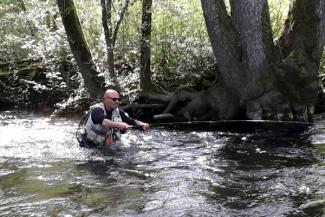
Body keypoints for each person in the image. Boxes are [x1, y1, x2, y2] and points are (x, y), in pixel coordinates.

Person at [80, 89, 149, 148]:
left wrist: (141, 124)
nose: (117, 101)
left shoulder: (118, 112)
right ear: (105, 100)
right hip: (88, 146)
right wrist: (121, 125)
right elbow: (104, 122)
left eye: (118, 99)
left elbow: (131, 121)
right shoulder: (97, 110)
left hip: (104, 146)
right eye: (114, 99)